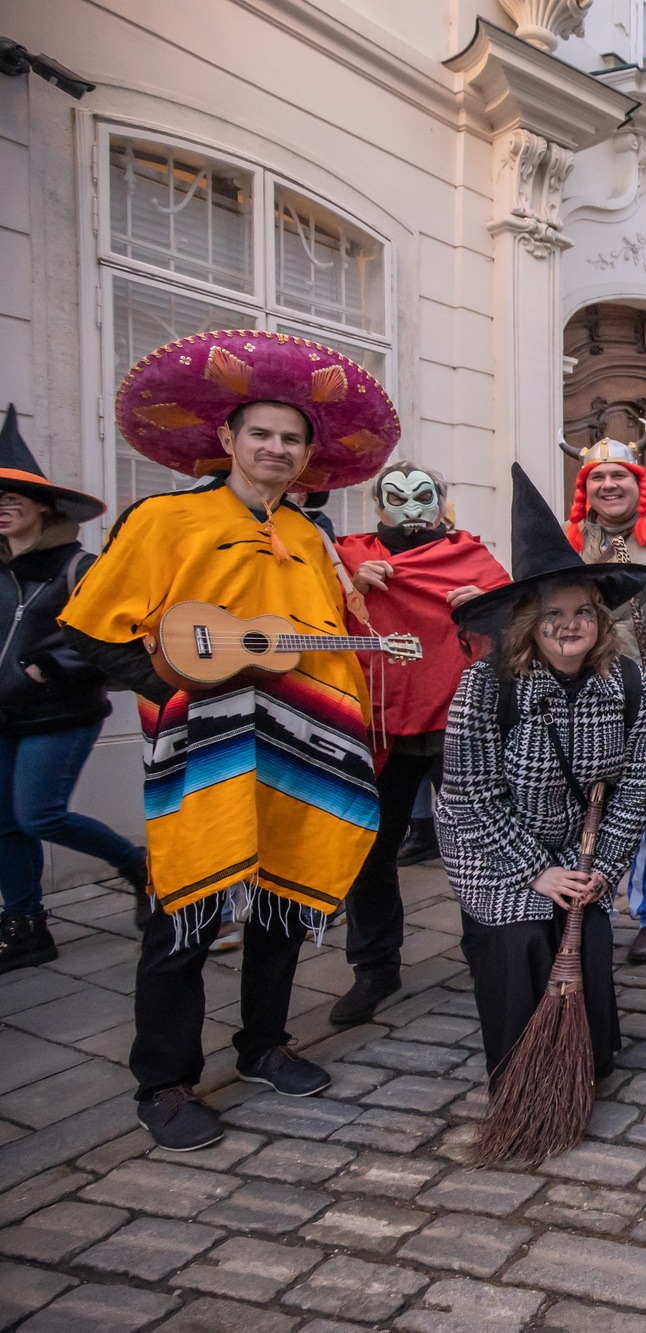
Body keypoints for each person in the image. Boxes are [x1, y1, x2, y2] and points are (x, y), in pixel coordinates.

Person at [61, 330, 398, 1151]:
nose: (277, 449)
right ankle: (163, 1081)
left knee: (283, 898)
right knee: (185, 908)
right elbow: (93, 629)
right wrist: (177, 690)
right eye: (262, 434)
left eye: (293, 439)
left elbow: (320, 639)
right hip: (204, 745)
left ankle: (262, 1044)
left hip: (300, 745)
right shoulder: (165, 519)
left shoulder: (312, 538)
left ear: (308, 454)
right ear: (227, 437)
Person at [440, 466, 646, 1085]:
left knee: (588, 933)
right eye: (552, 613)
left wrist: (601, 868)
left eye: (583, 611)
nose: (569, 624)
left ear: (601, 620)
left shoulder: (626, 681)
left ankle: (587, 1058)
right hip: (491, 849)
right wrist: (537, 871)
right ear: (526, 623)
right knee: (523, 936)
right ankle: (523, 1070)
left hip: (578, 848)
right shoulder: (488, 685)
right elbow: (472, 795)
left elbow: (636, 787)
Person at [329, 462, 508, 1025]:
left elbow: (522, 625)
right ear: (377, 505)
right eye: (396, 497)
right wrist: (351, 589)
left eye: (422, 496)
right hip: (380, 723)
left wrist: (489, 607)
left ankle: (489, 955)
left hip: (456, 722)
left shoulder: (470, 556)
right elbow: (312, 623)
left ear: (441, 501)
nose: (410, 507)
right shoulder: (347, 556)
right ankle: (374, 967)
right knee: (369, 850)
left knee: (475, 846)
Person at [0, 405, 146, 972]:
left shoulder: (80, 566)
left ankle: (137, 865)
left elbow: (115, 634)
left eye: (14, 497)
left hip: (60, 713)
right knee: (4, 823)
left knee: (39, 815)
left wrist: (46, 666)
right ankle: (26, 924)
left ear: (43, 505)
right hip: (3, 716)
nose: (3, 506)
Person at [564, 427, 646, 965]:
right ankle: (590, 907)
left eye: (620, 475)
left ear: (639, 482)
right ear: (585, 489)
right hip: (586, 706)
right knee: (585, 811)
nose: (609, 485)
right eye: (598, 478)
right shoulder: (565, 543)